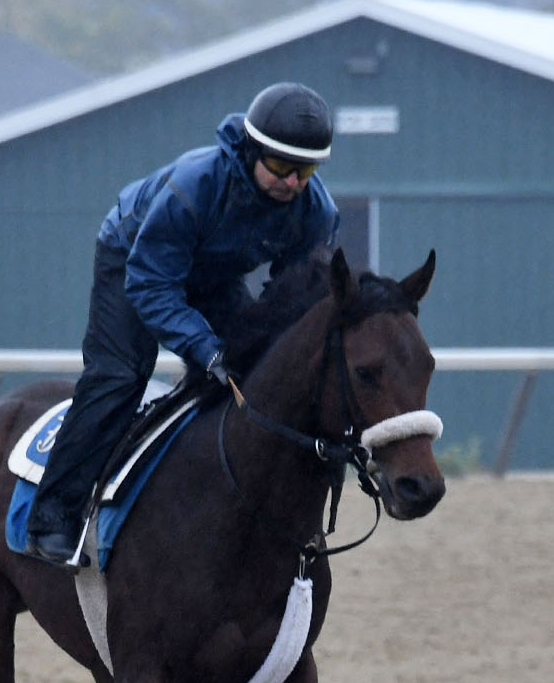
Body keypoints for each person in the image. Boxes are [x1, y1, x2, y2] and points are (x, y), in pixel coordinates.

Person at [20, 82, 341, 570]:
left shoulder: (316, 211)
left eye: (307, 169)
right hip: (134, 257)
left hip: (213, 272)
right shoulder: (193, 188)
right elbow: (150, 286)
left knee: (253, 363)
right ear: (252, 151)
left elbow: (293, 298)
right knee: (120, 376)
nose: (294, 183)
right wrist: (203, 347)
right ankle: (52, 518)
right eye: (281, 167)